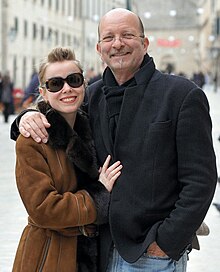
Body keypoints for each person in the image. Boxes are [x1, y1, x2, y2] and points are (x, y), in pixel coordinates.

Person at [10, 8, 217, 272]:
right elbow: (58, 110)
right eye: (109, 37)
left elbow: (201, 180)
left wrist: (167, 242)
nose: (117, 44)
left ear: (144, 43)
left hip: (151, 255)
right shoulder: (91, 97)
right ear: (99, 48)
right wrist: (25, 117)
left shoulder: (181, 95)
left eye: (127, 35)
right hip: (97, 251)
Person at [12, 46, 122, 272]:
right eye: (55, 84)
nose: (66, 89)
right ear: (43, 92)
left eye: (73, 80)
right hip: (50, 255)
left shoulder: (91, 125)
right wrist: (98, 195)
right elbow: (44, 209)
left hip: (91, 254)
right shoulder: (33, 140)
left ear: (84, 84)